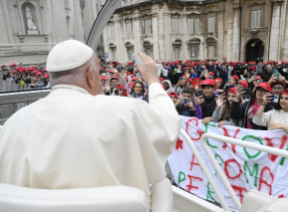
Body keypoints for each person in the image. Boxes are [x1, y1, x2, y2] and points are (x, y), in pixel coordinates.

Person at [0, 40, 180, 199]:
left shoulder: (13, 125)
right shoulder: (125, 111)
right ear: (90, 75)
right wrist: (153, 81)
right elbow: (168, 125)